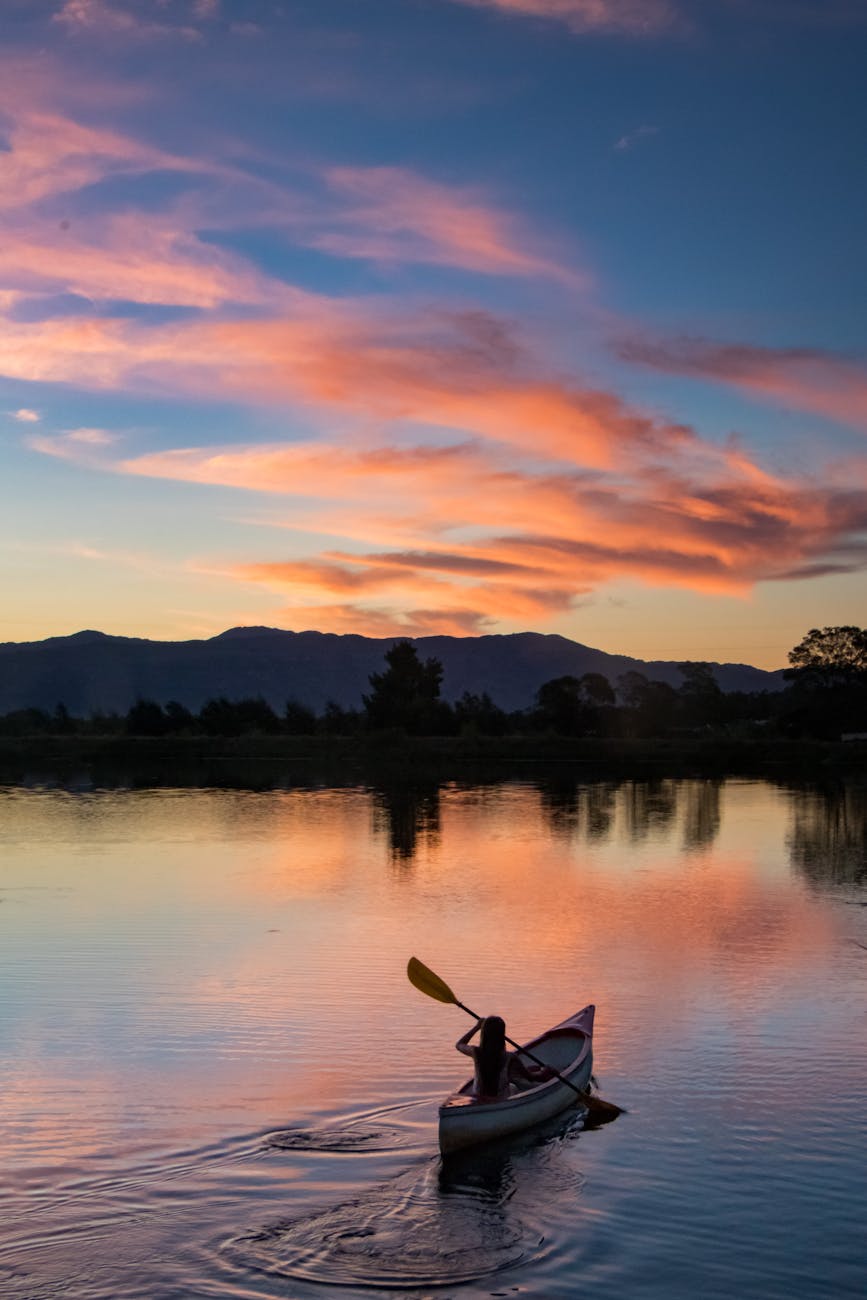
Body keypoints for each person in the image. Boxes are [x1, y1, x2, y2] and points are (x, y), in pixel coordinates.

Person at [455, 1015, 555, 1101]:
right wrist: (544, 1071)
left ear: (484, 1034)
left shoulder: (475, 1052)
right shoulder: (509, 1057)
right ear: (501, 1035)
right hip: (500, 1100)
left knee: (512, 1077)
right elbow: (531, 1077)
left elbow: (459, 1044)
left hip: (479, 1099)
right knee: (514, 1086)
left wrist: (476, 1027)